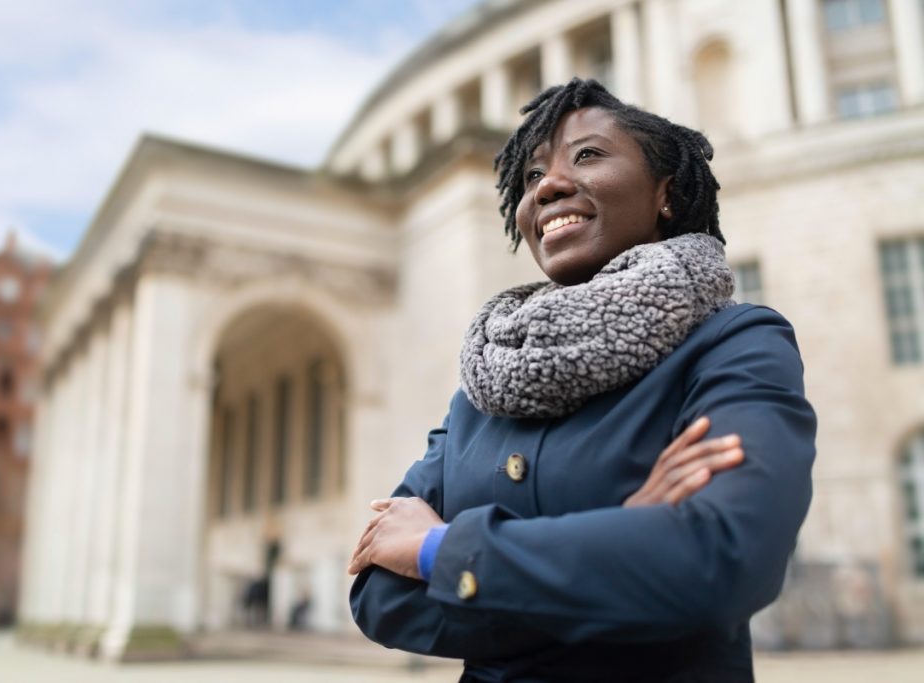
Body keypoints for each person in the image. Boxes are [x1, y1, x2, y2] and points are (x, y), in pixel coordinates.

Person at [346, 78, 816, 682]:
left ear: (666, 194)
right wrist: (625, 548)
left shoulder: (735, 343)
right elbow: (378, 597)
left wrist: (440, 552)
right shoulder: (483, 388)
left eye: (588, 155)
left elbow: (721, 562)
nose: (549, 185)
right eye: (531, 175)